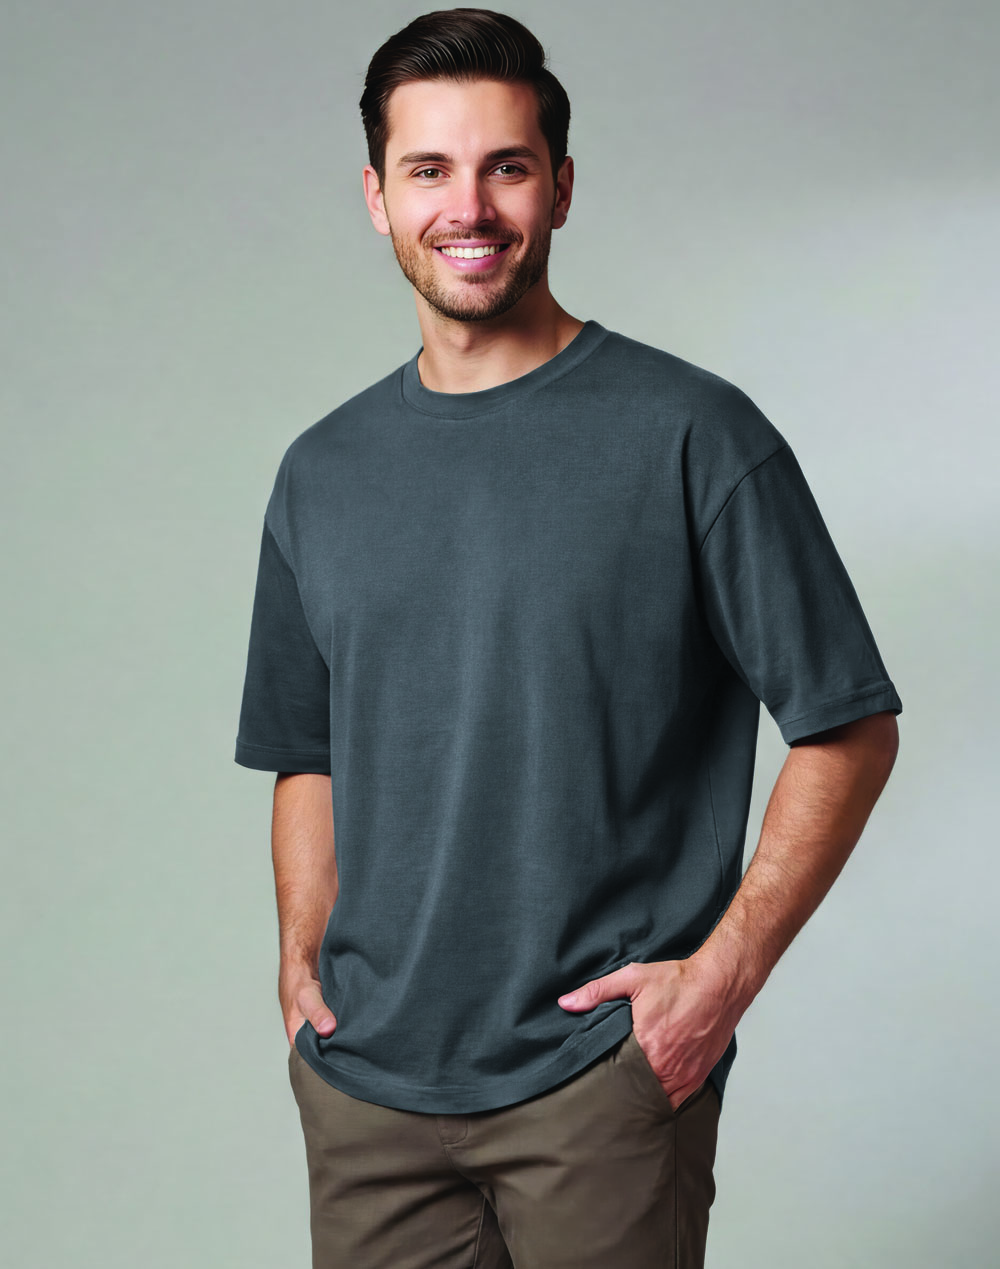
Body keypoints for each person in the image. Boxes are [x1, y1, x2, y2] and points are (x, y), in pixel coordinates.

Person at [233, 9, 902, 1267]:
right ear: (376, 198)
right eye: (428, 170)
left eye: (506, 166)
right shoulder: (320, 473)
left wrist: (722, 976)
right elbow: (305, 751)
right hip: (367, 1089)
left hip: (598, 1079)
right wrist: (301, 968)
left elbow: (849, 726)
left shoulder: (693, 434)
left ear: (562, 187)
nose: (467, 208)